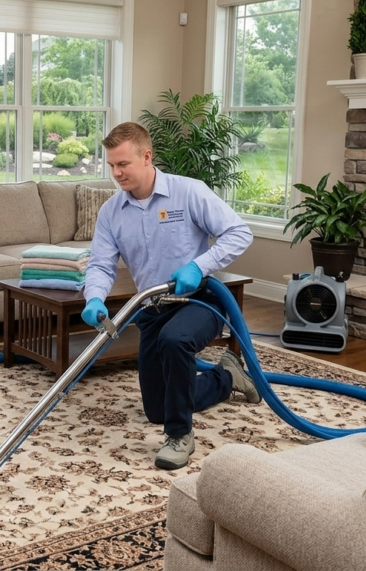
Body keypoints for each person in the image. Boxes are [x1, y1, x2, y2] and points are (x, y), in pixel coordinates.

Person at [81, 121, 261, 470]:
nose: (116, 173)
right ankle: (226, 378)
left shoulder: (188, 192)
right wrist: (94, 298)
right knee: (157, 409)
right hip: (153, 307)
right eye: (112, 165)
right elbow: (101, 264)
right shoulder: (111, 212)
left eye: (123, 164)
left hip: (200, 300)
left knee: (174, 340)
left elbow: (239, 233)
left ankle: (180, 436)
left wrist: (198, 265)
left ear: (147, 157)